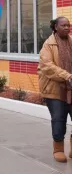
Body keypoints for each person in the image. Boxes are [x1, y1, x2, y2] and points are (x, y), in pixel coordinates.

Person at [38, 17, 72, 163]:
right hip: (55, 89)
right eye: (63, 25)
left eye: (68, 25)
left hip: (71, 87)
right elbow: (47, 66)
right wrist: (67, 76)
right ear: (56, 27)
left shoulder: (71, 42)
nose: (67, 27)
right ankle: (58, 149)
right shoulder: (48, 45)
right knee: (59, 119)